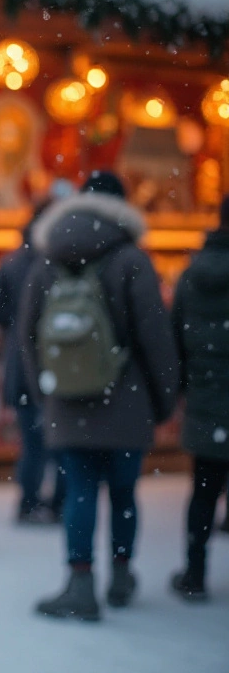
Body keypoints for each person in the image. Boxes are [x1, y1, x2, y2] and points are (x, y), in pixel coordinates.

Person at [19, 171, 179, 621]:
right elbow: (156, 339)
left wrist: (46, 392)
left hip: (68, 402)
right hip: (125, 401)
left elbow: (28, 338)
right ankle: (122, 574)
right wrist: (162, 400)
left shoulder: (48, 258)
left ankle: (80, 582)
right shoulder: (131, 259)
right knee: (125, 493)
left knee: (80, 492)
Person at [170, 195, 229, 602]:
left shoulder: (192, 274)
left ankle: (195, 571)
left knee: (204, 490)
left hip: (207, 394)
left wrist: (178, 390)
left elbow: (174, 338)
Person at [0, 199, 63, 524]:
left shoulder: (12, 263)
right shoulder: (58, 264)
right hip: (54, 364)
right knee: (59, 441)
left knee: (31, 442)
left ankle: (28, 501)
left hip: (19, 365)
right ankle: (56, 502)